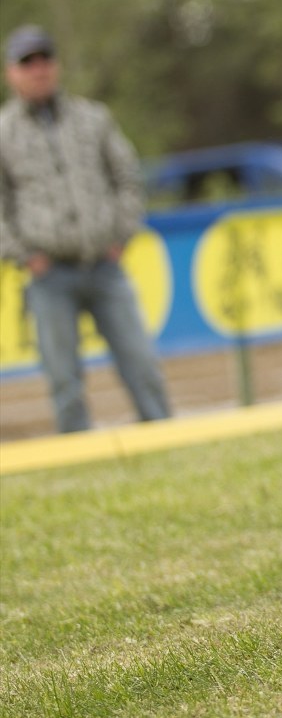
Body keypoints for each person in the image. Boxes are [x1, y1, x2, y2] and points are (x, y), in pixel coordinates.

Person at [0, 25, 171, 433]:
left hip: (104, 265)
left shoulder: (92, 118)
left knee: (141, 363)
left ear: (56, 65)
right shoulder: (3, 132)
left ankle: (165, 438)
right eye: (28, 62)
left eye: (45, 59)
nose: (39, 69)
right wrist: (24, 255)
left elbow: (127, 177)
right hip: (48, 274)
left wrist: (121, 234)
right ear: (11, 73)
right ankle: (78, 450)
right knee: (63, 378)